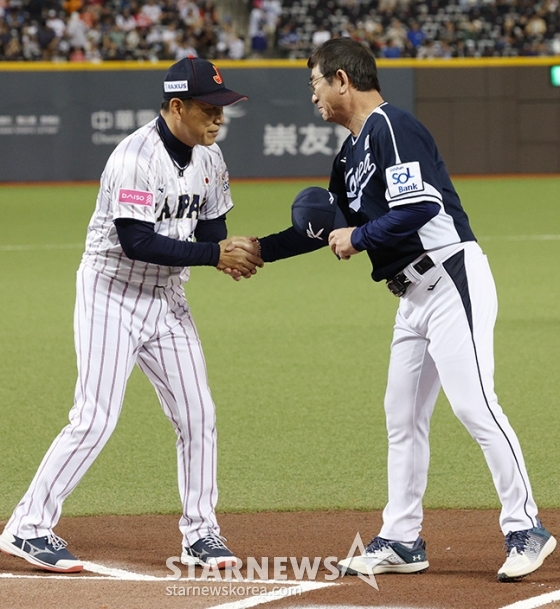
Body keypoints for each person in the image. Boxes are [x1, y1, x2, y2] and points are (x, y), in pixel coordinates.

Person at [244, 37, 557, 582]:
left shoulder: (392, 127)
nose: (312, 95)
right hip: (410, 296)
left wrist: (359, 236)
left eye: (315, 82)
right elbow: (326, 230)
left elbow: (422, 206)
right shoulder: (348, 156)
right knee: (402, 417)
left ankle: (527, 527)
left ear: (343, 79)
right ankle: (403, 539)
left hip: (448, 273)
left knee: (474, 405)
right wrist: (258, 251)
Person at [0, 57, 263, 574]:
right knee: (95, 417)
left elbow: (212, 230)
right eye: (209, 109)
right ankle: (28, 526)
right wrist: (215, 256)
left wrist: (229, 256)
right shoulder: (134, 158)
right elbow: (137, 242)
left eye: (222, 108)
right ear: (175, 107)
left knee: (198, 415)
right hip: (111, 294)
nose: (218, 118)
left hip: (167, 299)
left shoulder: (210, 159)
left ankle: (201, 534)